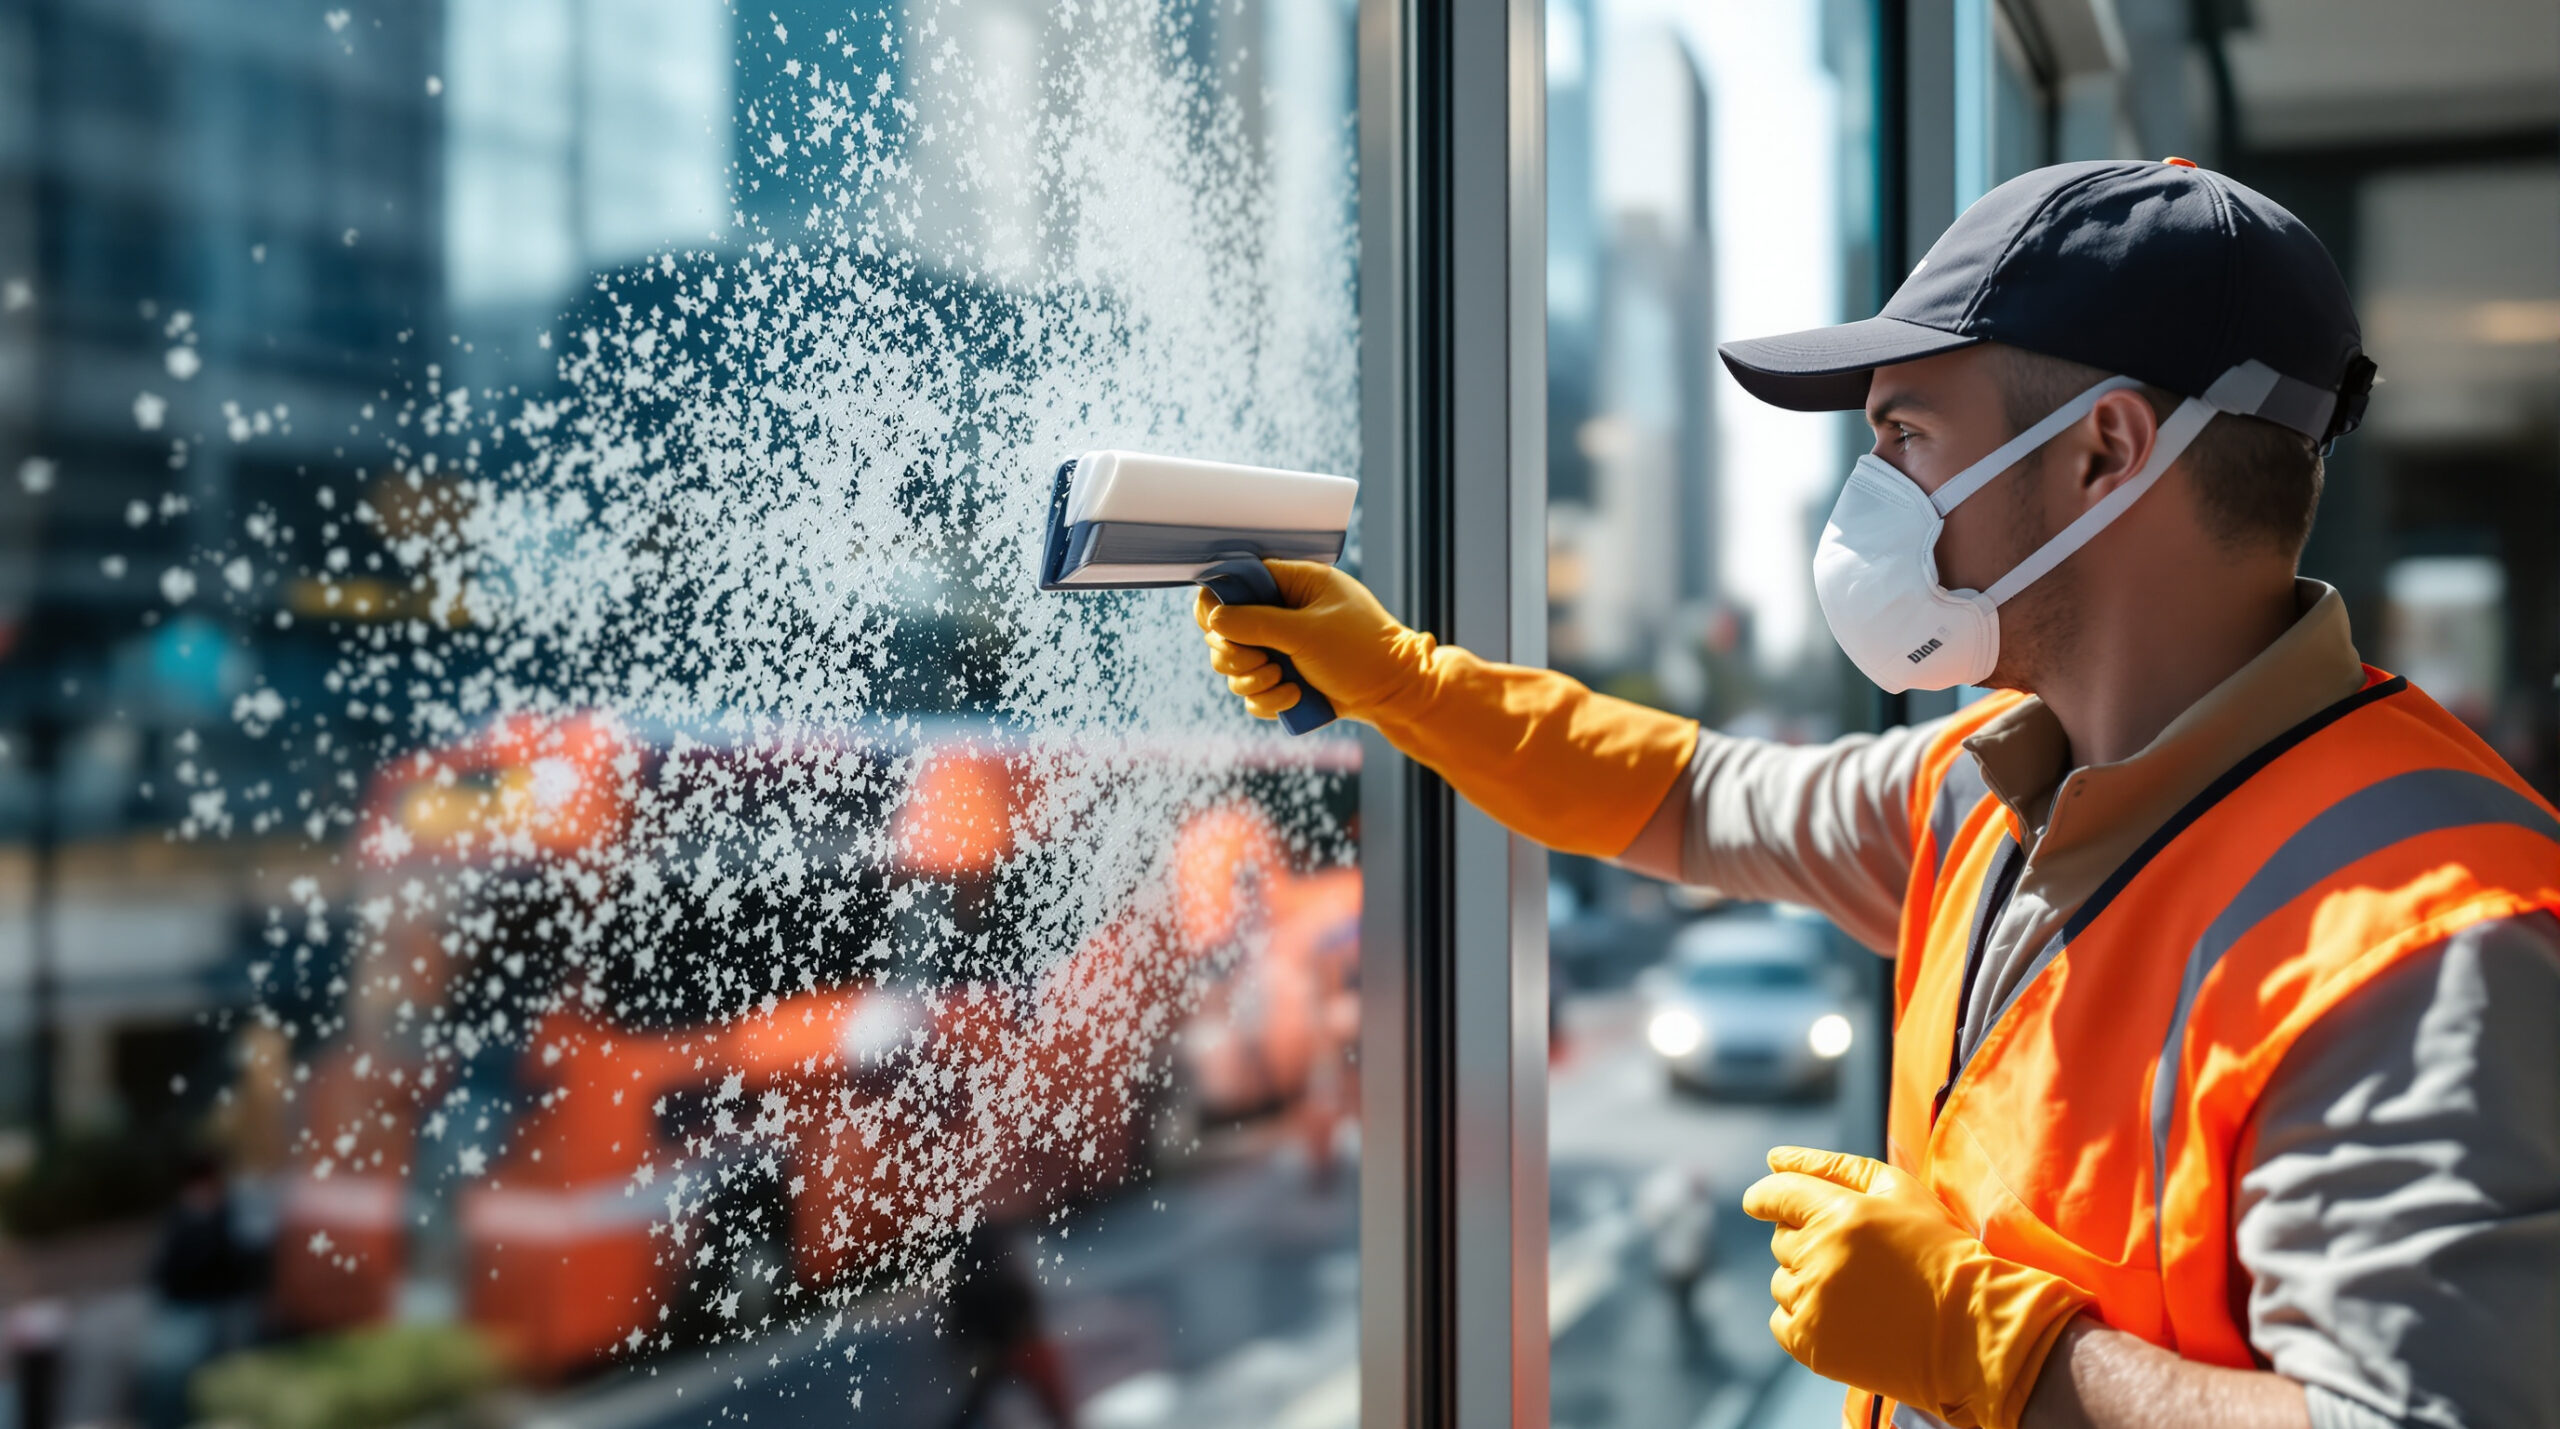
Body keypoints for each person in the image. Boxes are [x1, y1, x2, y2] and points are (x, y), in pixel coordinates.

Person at [1193, 158, 2559, 1429]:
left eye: (1905, 434)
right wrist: (1398, 679)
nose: (1870, 494)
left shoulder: (2431, 936)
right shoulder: (1984, 785)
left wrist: (2002, 1352)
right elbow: (1689, 795)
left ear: (2107, 451)